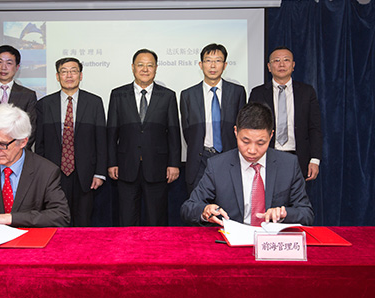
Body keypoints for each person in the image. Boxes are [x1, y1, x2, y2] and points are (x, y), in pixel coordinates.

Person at [180, 102, 313, 226]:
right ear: (236, 132)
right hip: (231, 238)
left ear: (271, 135)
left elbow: (306, 214)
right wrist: (205, 210)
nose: (252, 150)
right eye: (245, 141)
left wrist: (284, 214)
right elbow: (188, 208)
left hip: (271, 239)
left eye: (260, 143)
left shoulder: (288, 164)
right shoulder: (218, 166)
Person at [107, 49, 181, 226]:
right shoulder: (118, 94)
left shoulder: (168, 96)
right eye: (140, 65)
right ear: (133, 67)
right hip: (126, 166)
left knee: (156, 219)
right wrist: (111, 162)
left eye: (150, 65)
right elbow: (111, 133)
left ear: (156, 68)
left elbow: (173, 132)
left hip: (157, 167)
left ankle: (156, 245)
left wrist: (174, 164)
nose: (145, 69)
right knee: (126, 218)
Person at [35, 58, 107, 226]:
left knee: (83, 221)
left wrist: (99, 173)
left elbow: (101, 140)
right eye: (64, 71)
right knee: (56, 220)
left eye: (73, 71)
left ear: (80, 76)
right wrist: (41, 174)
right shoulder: (45, 104)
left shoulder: (94, 102)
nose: (69, 75)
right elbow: (40, 143)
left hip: (86, 173)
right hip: (54, 172)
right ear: (57, 76)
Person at [180, 43, 246, 193]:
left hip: (229, 158)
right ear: (201, 64)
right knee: (198, 205)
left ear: (225, 65)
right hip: (199, 161)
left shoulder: (237, 92)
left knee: (229, 203)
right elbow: (187, 131)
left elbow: (242, 128)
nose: (213, 65)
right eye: (208, 60)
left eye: (218, 61)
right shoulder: (188, 95)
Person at [249, 46, 322, 181]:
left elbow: (315, 128)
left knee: (298, 194)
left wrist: (315, 159)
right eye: (276, 60)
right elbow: (252, 128)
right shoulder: (257, 93)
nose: (281, 64)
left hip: (299, 158)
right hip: (267, 156)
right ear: (269, 67)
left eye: (286, 60)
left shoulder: (307, 92)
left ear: (293, 65)